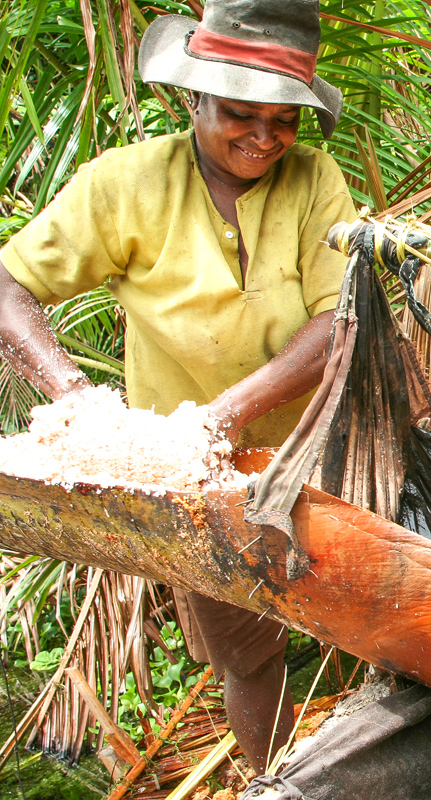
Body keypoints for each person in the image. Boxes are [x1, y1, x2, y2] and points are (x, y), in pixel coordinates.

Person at [0, 0, 355, 773]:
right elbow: (6, 285)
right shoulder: (124, 186)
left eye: (285, 119)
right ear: (191, 98)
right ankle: (274, 782)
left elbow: (339, 324)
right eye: (238, 113)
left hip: (326, 452)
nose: (265, 137)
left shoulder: (313, 180)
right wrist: (70, 393)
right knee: (249, 657)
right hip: (196, 484)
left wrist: (224, 414)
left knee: (377, 620)